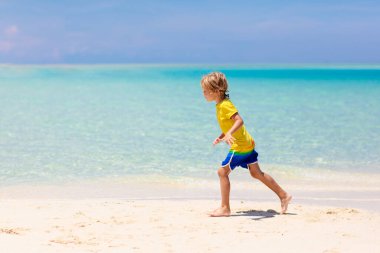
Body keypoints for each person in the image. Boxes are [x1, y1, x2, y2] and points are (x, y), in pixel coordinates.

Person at [200, 72, 292, 217]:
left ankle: (225, 208)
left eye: (205, 90)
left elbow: (239, 120)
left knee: (222, 172)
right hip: (247, 143)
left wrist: (229, 134)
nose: (203, 93)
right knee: (256, 173)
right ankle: (283, 195)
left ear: (217, 91)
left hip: (240, 147)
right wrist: (222, 136)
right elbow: (229, 125)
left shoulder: (225, 105)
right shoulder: (220, 105)